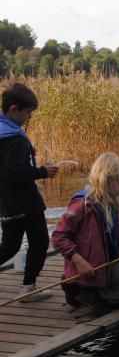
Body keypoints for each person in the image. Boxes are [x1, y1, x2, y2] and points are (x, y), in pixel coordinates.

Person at [52, 153, 119, 316]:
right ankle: (89, 292)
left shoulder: (112, 206)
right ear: (106, 179)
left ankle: (85, 294)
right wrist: (79, 261)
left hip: (105, 268)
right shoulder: (82, 206)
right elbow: (58, 236)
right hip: (88, 269)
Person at [0, 83, 59, 301]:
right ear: (13, 109)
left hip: (5, 201)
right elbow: (13, 172)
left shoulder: (2, 130)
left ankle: (29, 287)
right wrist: (42, 171)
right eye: (27, 113)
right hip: (24, 200)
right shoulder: (14, 138)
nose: (28, 117)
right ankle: (29, 288)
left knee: (10, 245)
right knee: (40, 241)